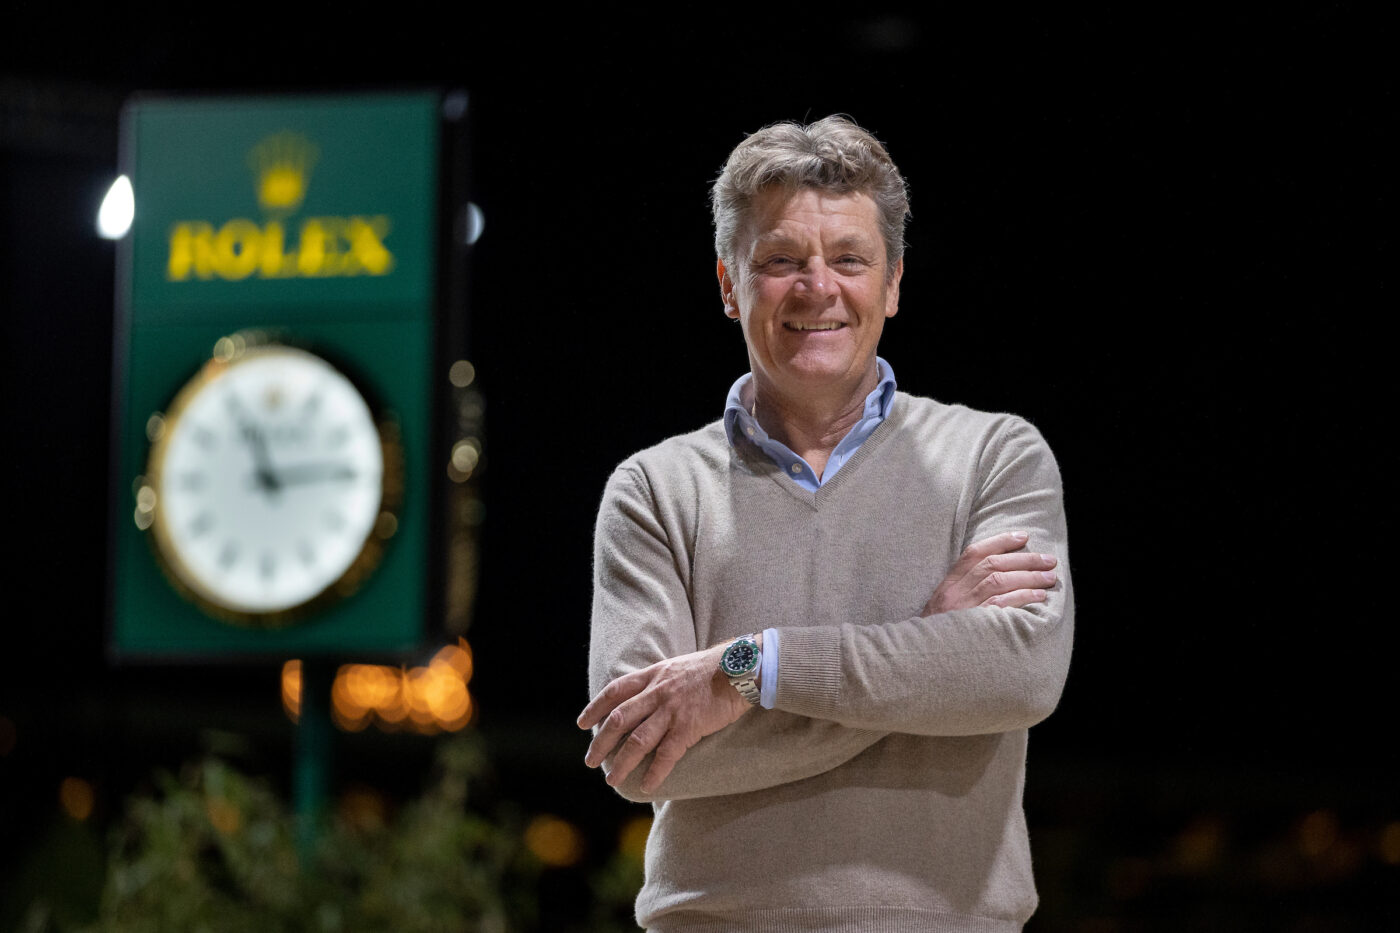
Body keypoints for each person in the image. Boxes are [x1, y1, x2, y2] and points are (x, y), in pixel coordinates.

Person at [578, 115, 1073, 933]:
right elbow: (642, 753)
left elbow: (1019, 675)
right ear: (729, 284)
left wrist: (746, 670)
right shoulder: (654, 490)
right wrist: (926, 655)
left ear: (894, 283)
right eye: (781, 261)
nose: (818, 288)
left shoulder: (995, 456)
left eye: (849, 259)